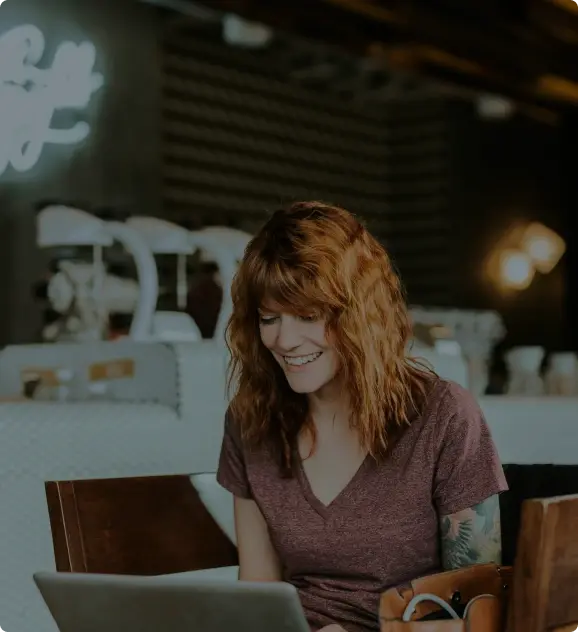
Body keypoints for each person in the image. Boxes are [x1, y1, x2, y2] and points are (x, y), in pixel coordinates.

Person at [217, 201, 508, 632]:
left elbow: (482, 614)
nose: (284, 340)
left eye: (308, 316)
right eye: (269, 318)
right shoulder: (250, 422)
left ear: (359, 316)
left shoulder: (444, 415)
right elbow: (258, 597)